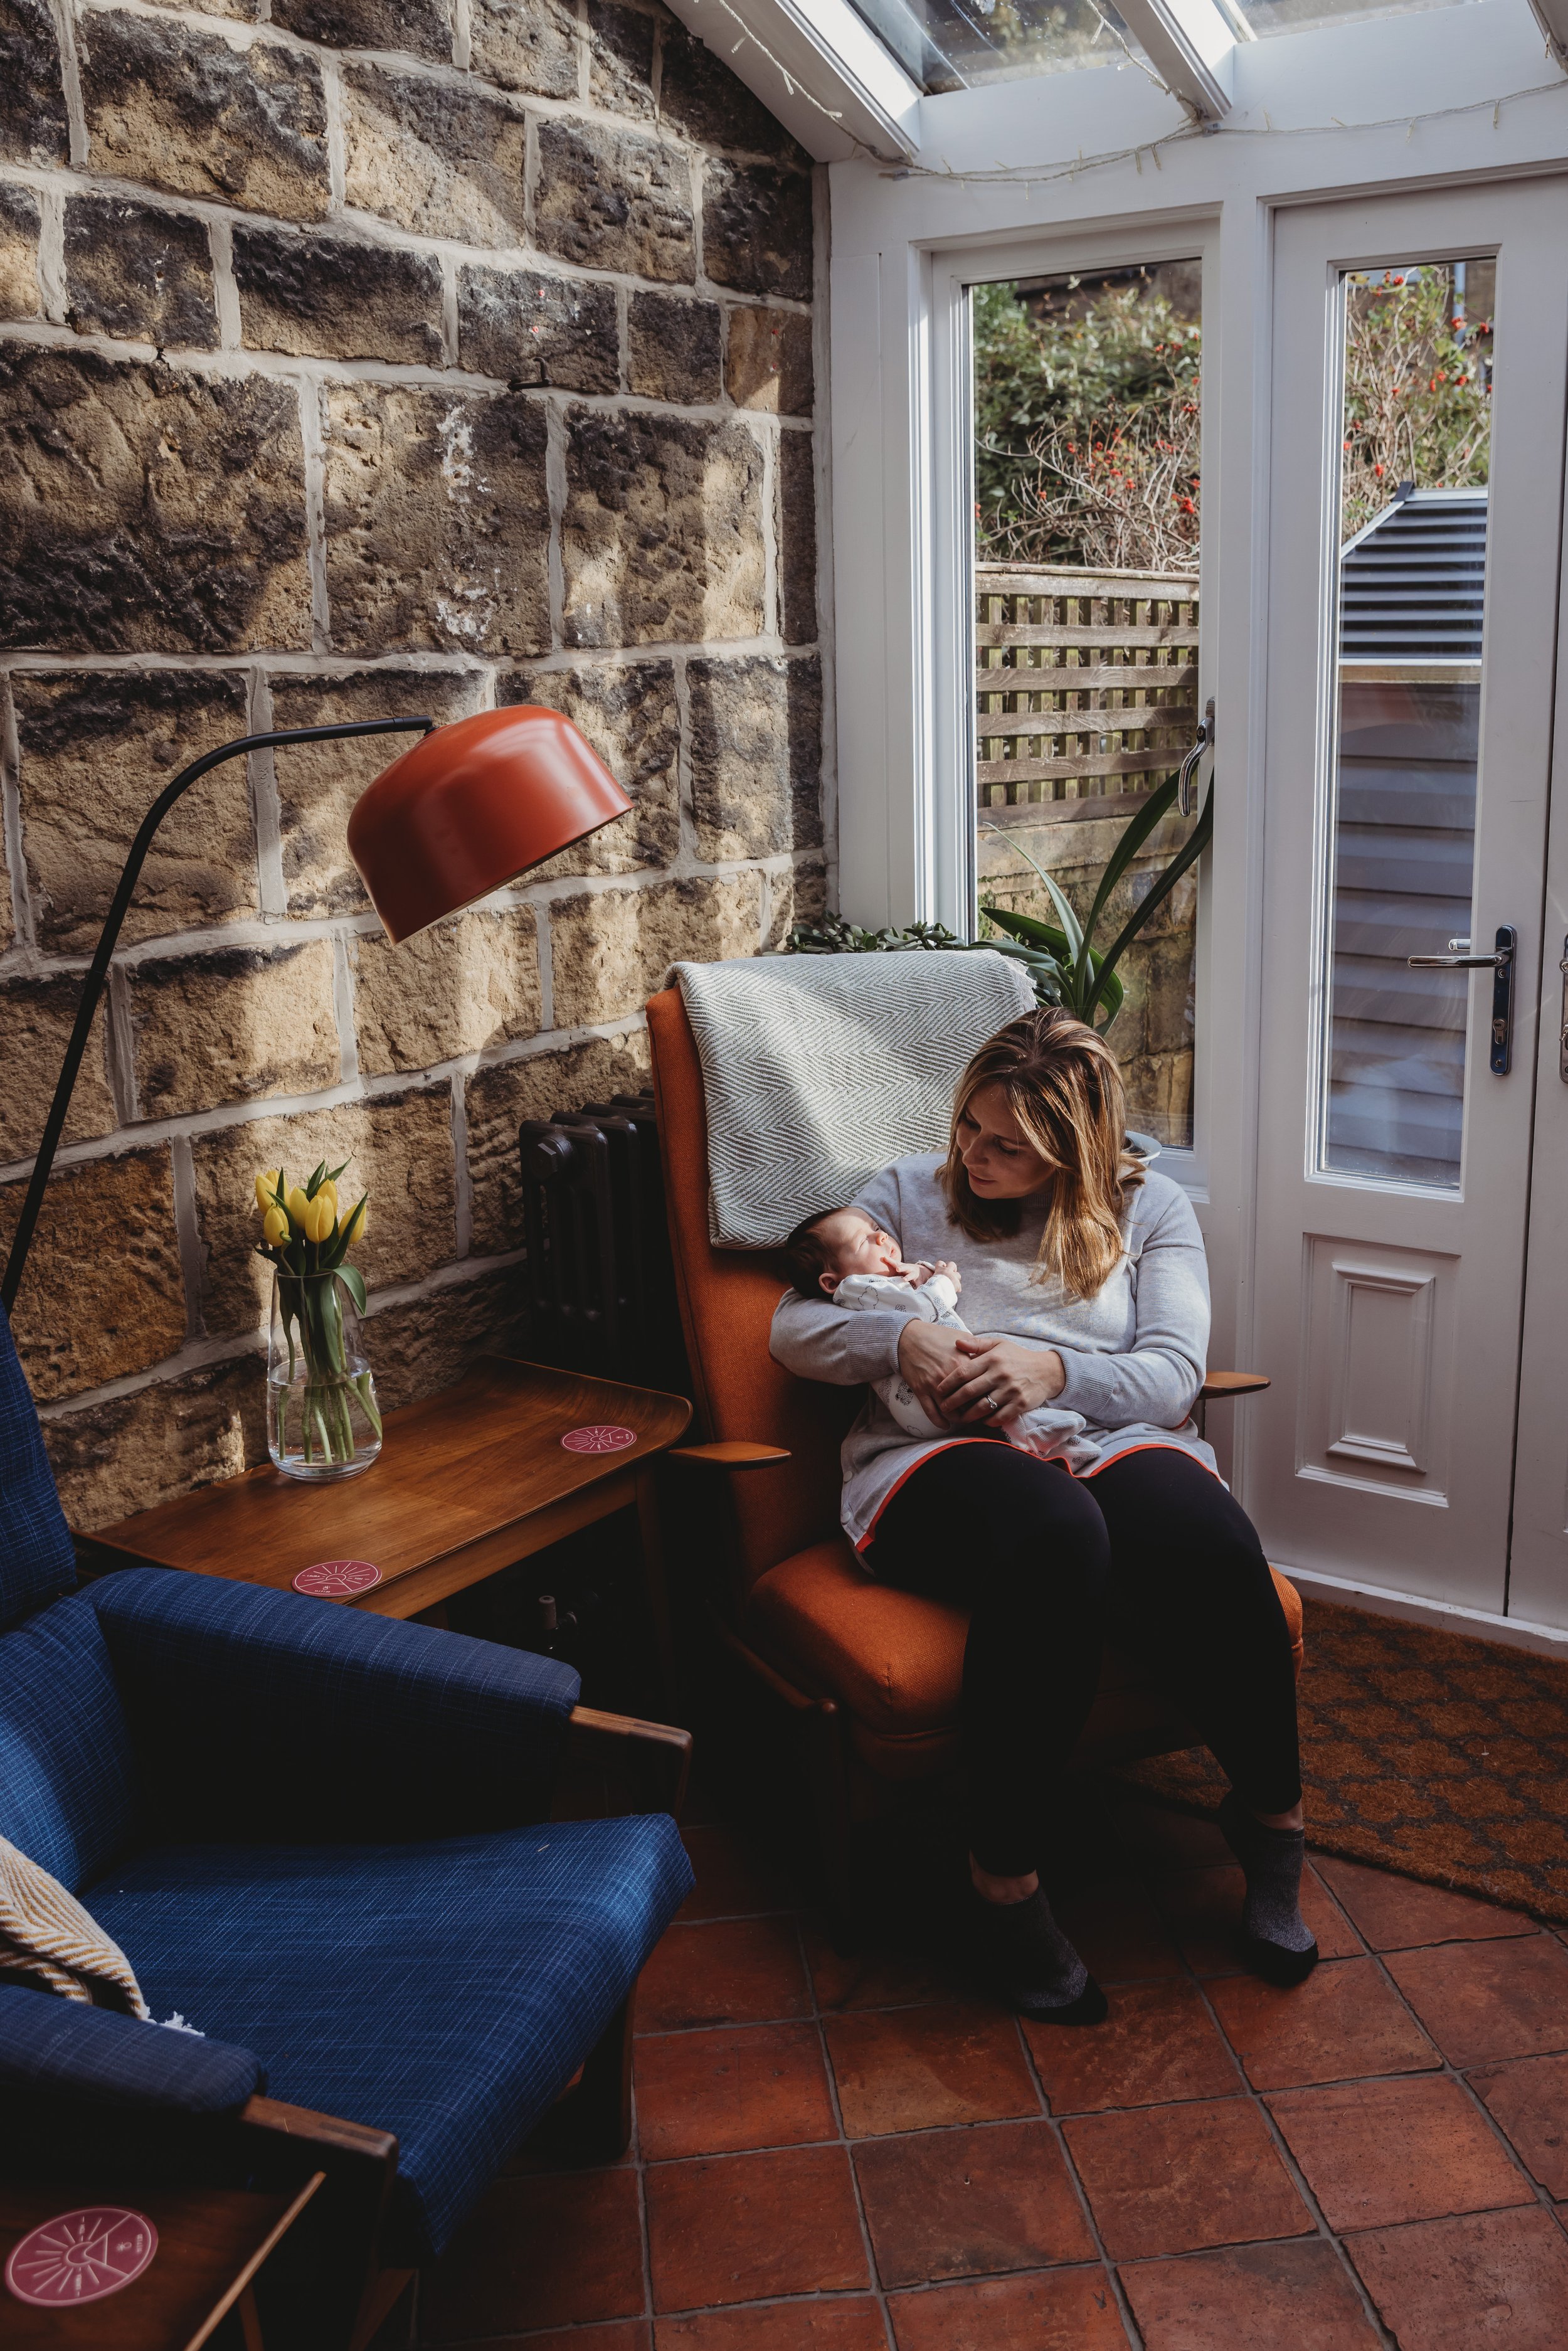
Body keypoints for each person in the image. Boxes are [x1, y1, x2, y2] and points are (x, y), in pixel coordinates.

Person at [770, 1008, 1313, 2026]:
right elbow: (795, 1320)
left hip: (1099, 1432)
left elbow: (1174, 1373)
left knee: (1208, 1535)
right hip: (934, 1457)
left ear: (1076, 1147)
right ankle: (1004, 1884)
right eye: (970, 1126)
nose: (974, 1155)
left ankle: (1273, 1825)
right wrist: (903, 1349)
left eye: (1009, 1144)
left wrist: (1056, 1365)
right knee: (1060, 1533)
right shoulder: (904, 1193)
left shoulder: (1152, 1211)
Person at [782, 1204, 1086, 1459]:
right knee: (993, 1387)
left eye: (875, 1227)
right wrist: (944, 1281)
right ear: (831, 1283)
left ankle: (1038, 1439)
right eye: (864, 1242)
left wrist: (921, 1270)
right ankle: (1045, 1437)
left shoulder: (868, 1288)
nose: (881, 1235)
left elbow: (903, 1295)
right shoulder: (859, 1288)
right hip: (927, 1401)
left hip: (921, 1411)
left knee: (992, 1401)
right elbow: (923, 1309)